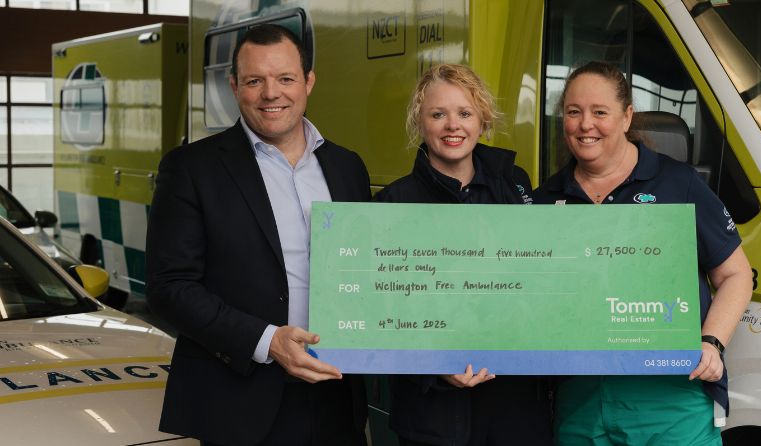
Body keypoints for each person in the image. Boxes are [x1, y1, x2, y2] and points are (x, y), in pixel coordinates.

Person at [146, 24, 370, 446]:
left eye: (285, 78)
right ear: (234, 87)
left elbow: (367, 270)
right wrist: (268, 342)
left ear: (308, 82)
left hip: (337, 394)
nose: (271, 94)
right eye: (254, 81)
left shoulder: (347, 167)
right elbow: (169, 287)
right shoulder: (192, 169)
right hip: (240, 400)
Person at [534, 61, 753, 445]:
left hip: (671, 396)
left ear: (626, 117)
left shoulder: (678, 184)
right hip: (581, 400)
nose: (585, 125)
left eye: (600, 112)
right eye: (573, 112)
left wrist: (712, 343)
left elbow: (736, 275)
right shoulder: (545, 200)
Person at [375, 64, 551, 446]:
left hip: (514, 410)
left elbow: (540, 279)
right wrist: (434, 368)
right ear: (420, 123)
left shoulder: (516, 185)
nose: (452, 125)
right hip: (434, 419)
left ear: (483, 120)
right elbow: (381, 313)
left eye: (465, 113)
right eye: (438, 114)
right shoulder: (393, 203)